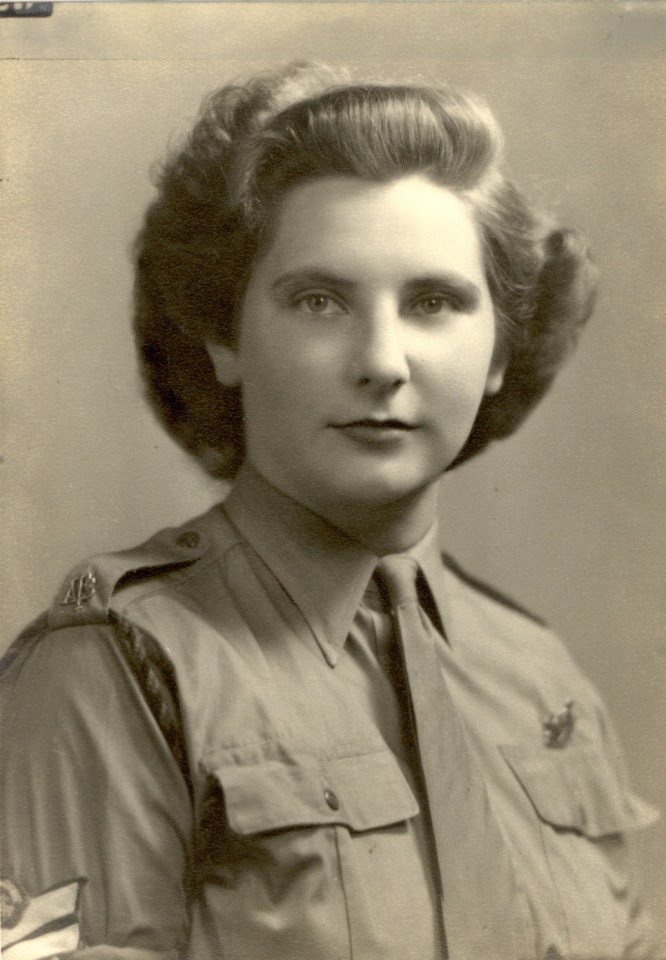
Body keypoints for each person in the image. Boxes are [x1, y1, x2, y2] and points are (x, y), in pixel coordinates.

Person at [0, 62, 659, 960]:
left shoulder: (542, 680)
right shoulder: (118, 668)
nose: (381, 362)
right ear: (224, 337)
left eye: (434, 302)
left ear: (500, 351)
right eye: (319, 301)